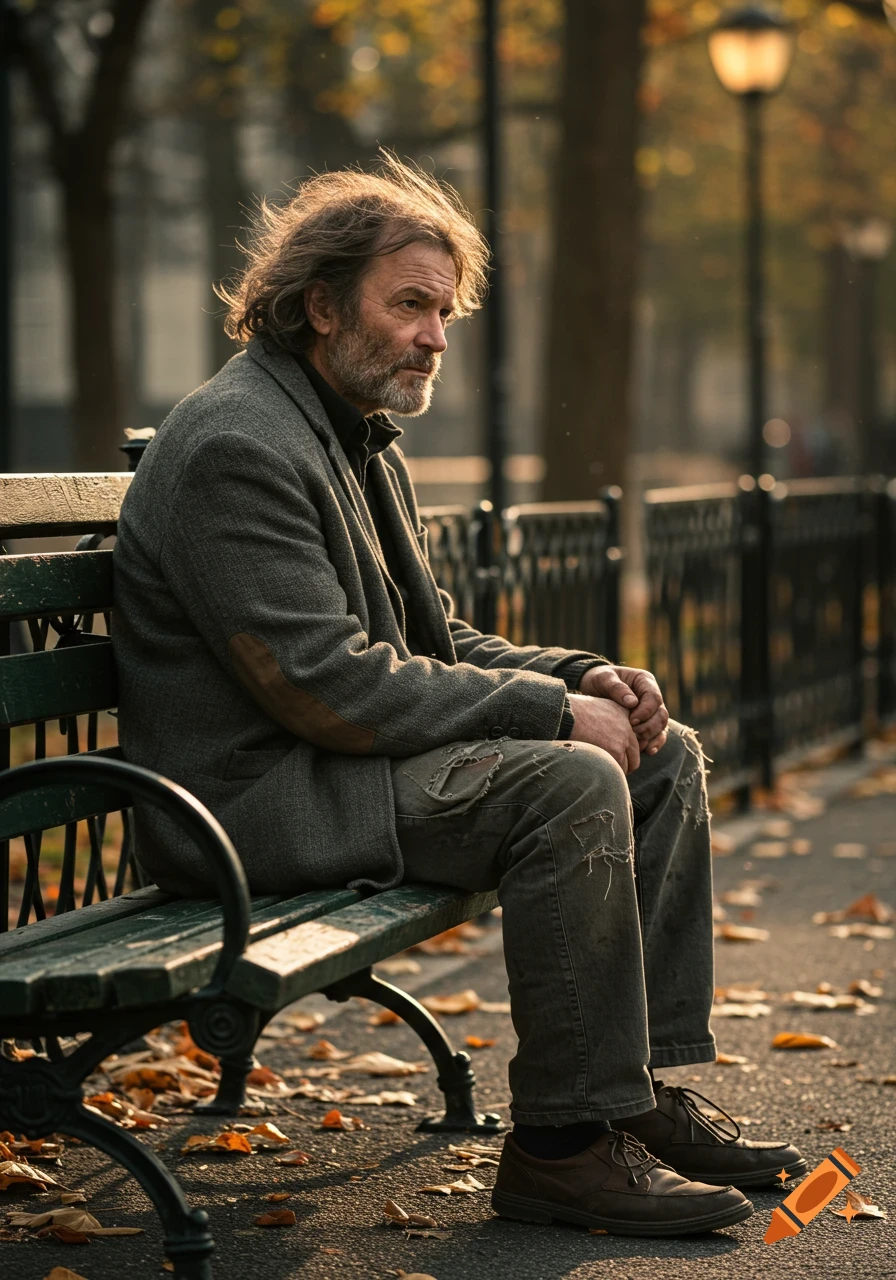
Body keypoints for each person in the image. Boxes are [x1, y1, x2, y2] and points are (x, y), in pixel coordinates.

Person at [113, 153, 804, 1237]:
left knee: (659, 753)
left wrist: (574, 675)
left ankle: (641, 1089)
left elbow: (428, 640)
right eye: (410, 306)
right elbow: (324, 681)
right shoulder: (236, 444)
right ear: (317, 304)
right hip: (250, 805)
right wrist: (544, 716)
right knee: (569, 783)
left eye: (445, 310)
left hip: (335, 768)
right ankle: (563, 1146)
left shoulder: (347, 430)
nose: (436, 335)